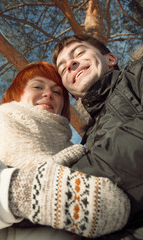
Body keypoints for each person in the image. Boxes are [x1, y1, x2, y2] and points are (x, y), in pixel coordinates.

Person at [0, 61, 130, 240]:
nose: (48, 94)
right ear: (17, 93)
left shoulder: (75, 150)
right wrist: (23, 192)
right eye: (37, 86)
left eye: (57, 92)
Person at [52, 34, 143, 239]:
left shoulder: (138, 74)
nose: (71, 64)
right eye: (62, 67)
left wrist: (62, 187)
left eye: (80, 53)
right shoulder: (85, 144)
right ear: (72, 94)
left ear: (110, 59)